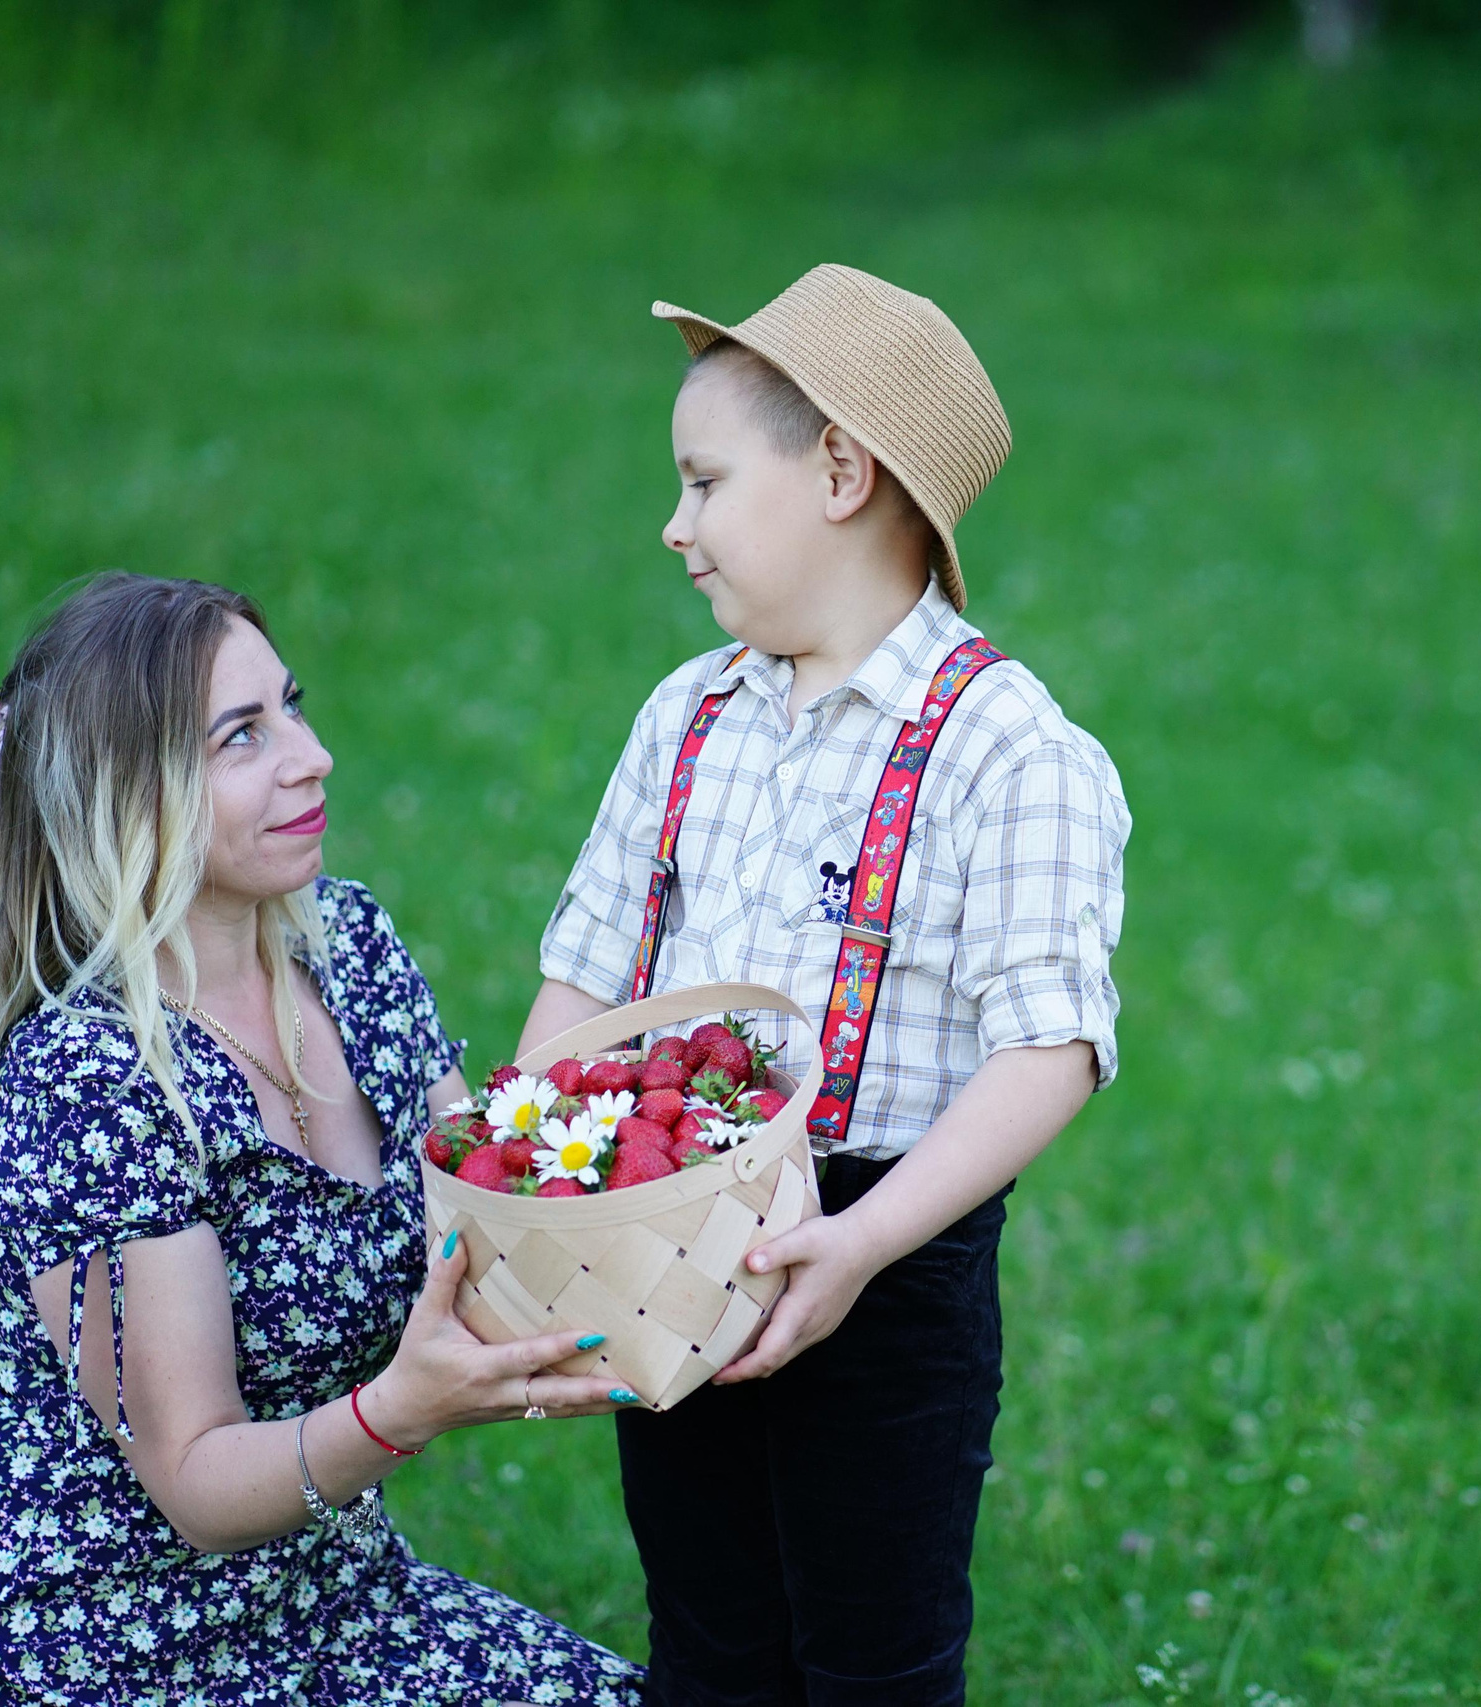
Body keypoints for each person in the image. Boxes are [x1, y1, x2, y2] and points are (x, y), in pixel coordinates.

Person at [0, 572, 643, 1707]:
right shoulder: (87, 1079)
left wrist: (660, 1256)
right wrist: (402, 1408)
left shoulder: (347, 947)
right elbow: (196, 1478)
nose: (312, 756)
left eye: (291, 707)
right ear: (125, 796)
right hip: (62, 1643)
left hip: (322, 1600)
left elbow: (486, 1227)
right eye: (242, 737)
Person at [524, 265, 1132, 1705]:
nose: (674, 524)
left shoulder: (1011, 751)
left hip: (888, 1252)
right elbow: (587, 973)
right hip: (669, 1233)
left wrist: (863, 1246)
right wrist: (535, 1196)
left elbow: (1049, 1044)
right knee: (711, 1641)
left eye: (705, 480)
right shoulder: (688, 713)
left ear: (842, 473)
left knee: (873, 1661)